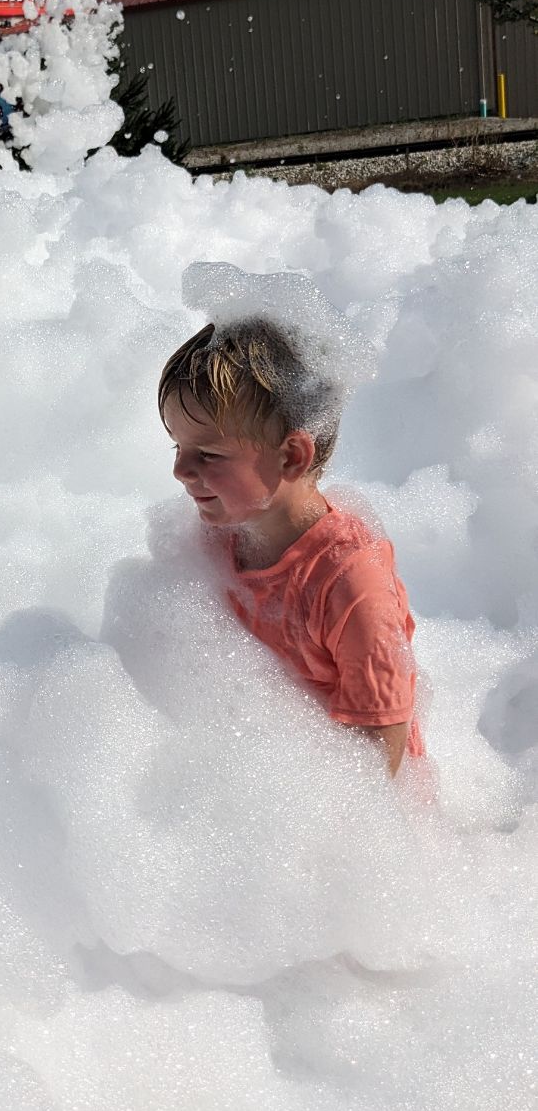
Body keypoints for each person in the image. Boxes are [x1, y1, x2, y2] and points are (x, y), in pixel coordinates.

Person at [159, 318, 424, 776]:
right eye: (176, 448)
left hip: (338, 794)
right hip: (257, 767)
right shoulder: (218, 533)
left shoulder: (350, 584)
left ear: (291, 457)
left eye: (208, 454)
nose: (180, 471)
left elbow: (379, 752)